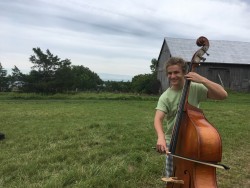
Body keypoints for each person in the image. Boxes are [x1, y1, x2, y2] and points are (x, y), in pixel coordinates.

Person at [154, 57, 227, 177]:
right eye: (170, 73)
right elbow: (158, 119)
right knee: (171, 176)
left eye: (176, 72)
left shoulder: (195, 88)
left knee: (195, 176)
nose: (172, 76)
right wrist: (160, 138)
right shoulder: (165, 96)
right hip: (172, 142)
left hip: (192, 139)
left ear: (184, 73)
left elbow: (223, 95)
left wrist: (203, 80)